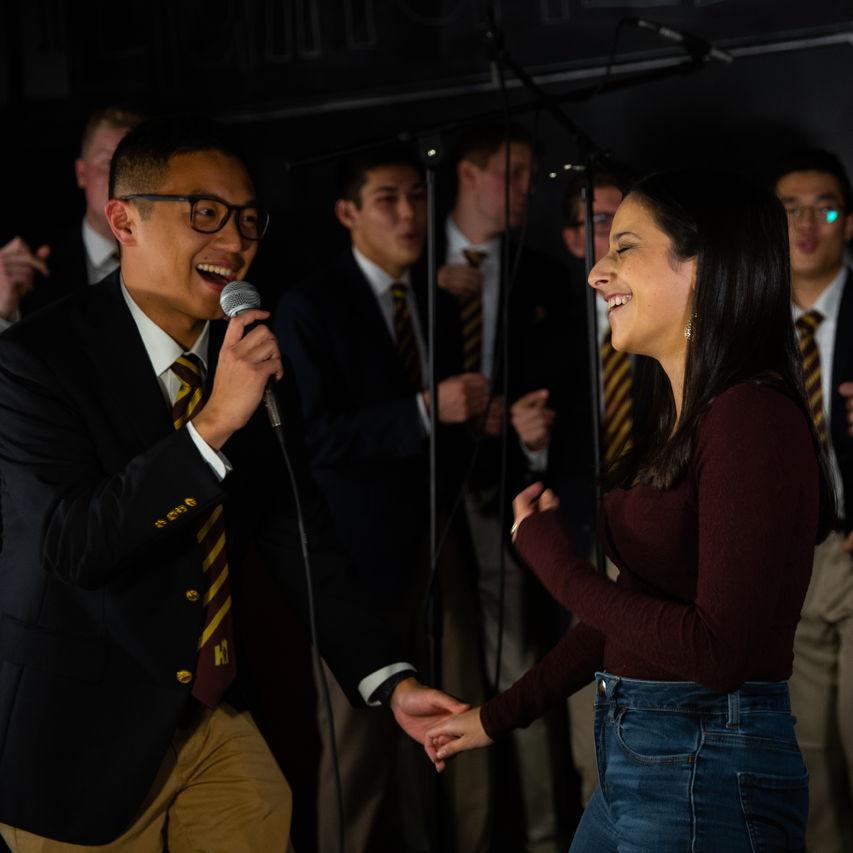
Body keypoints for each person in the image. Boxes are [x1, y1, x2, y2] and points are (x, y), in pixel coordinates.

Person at [0, 116, 464, 852]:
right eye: (204, 213)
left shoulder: (244, 355)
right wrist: (213, 423)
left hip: (211, 717)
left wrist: (388, 677)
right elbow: (76, 546)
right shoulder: (34, 361)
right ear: (124, 219)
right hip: (79, 737)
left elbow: (295, 529)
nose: (235, 241)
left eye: (247, 219)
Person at [427, 168, 835, 852]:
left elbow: (717, 651)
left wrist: (554, 560)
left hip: (702, 768)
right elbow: (628, 614)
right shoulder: (691, 417)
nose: (597, 273)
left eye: (624, 247)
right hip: (648, 760)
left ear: (704, 267)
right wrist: (494, 718)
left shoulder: (751, 417)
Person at [275, 146, 492, 852]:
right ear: (347, 212)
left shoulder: (436, 296)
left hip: (440, 544)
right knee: (357, 755)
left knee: (459, 730)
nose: (408, 214)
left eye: (417, 198)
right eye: (387, 199)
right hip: (355, 561)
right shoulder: (310, 305)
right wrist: (425, 410)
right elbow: (313, 440)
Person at [438, 122, 573, 852]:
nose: (527, 193)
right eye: (513, 176)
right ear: (469, 173)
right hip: (416, 516)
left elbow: (556, 396)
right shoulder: (412, 263)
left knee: (520, 664)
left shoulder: (543, 274)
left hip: (506, 499)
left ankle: (547, 837)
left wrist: (524, 427)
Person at [774, 148, 853, 853]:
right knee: (806, 755)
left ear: (847, 222)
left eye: (822, 207)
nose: (804, 225)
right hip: (787, 559)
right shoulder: (746, 326)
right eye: (787, 210)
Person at [21, 106, 144, 315]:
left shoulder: (174, 259)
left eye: (133, 166)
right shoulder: (34, 267)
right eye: (107, 164)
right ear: (81, 173)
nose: (120, 180)